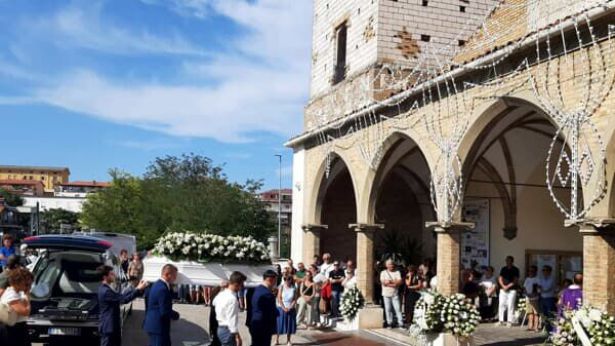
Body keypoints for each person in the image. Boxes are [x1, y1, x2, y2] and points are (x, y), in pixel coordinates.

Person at [97, 265, 148, 346]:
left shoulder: (107, 288)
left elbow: (121, 296)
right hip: (109, 327)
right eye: (111, 274)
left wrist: (137, 288)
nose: (114, 275)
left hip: (112, 327)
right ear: (105, 277)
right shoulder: (105, 291)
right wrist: (138, 289)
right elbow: (124, 299)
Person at [143, 264, 181, 346]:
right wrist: (176, 315)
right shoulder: (162, 289)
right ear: (167, 274)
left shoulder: (158, 284)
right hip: (158, 327)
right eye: (174, 275)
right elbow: (164, 311)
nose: (175, 278)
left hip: (156, 325)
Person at [0, 267, 33, 346]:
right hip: (12, 330)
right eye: (26, 283)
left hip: (19, 328)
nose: (28, 285)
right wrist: (27, 299)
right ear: (17, 282)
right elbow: (25, 312)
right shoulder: (11, 294)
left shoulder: (17, 292)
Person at [214, 271, 247, 346]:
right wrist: (237, 336)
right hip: (227, 330)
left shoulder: (221, 294)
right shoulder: (232, 299)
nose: (242, 287)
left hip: (220, 328)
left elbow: (214, 303)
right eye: (242, 285)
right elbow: (231, 319)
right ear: (236, 284)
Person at [248, 270, 278, 346]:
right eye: (275, 280)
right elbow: (271, 312)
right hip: (264, 325)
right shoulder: (267, 294)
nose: (275, 283)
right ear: (270, 280)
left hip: (254, 323)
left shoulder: (255, 289)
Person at [380, 259, 404, 329]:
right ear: (386, 265)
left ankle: (401, 323)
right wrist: (394, 283)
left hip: (395, 294)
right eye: (390, 264)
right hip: (386, 294)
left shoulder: (397, 272)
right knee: (388, 309)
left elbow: (399, 282)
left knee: (397, 309)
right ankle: (389, 323)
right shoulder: (383, 273)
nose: (391, 265)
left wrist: (390, 282)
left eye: (392, 264)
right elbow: (383, 283)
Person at [276, 275, 298, 346]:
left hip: (290, 308)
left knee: (289, 325)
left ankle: (288, 341)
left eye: (288, 279)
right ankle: (277, 340)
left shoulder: (294, 288)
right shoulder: (281, 287)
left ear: (291, 280)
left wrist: (290, 307)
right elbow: (279, 298)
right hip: (281, 308)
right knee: (279, 324)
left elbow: (295, 299)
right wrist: (283, 308)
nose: (287, 281)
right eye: (285, 279)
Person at [498, 256, 520, 327]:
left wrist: (507, 286)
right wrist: (503, 286)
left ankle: (509, 321)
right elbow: (500, 278)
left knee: (510, 305)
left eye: (509, 260)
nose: (507, 262)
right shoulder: (503, 269)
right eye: (506, 260)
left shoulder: (515, 269)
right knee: (501, 304)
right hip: (503, 289)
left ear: (512, 261)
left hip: (512, 290)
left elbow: (515, 280)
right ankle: (500, 320)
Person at [208, 281, 228, 346]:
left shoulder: (215, 292)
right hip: (218, 322)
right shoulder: (219, 294)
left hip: (215, 321)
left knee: (216, 339)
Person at [522, 265, 540, 332]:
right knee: (529, 312)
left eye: (532, 271)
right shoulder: (527, 279)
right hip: (528, 297)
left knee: (536, 313)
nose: (530, 272)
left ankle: (536, 327)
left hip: (535, 297)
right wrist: (527, 294)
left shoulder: (537, 279)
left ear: (535, 272)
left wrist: (533, 294)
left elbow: (537, 288)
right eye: (529, 271)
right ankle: (530, 326)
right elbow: (524, 288)